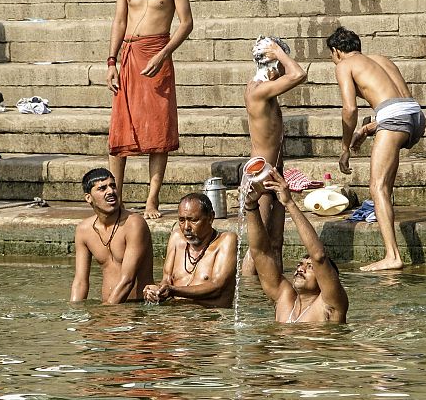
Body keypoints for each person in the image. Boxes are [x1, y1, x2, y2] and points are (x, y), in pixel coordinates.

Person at [106, 0, 193, 219]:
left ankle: (151, 200)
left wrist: (163, 53)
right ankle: (115, 200)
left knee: (159, 131)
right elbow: (119, 21)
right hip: (129, 56)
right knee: (120, 130)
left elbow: (186, 23)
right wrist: (111, 62)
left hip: (158, 55)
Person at [326, 26, 426, 271]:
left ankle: (392, 256)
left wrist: (345, 147)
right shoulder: (381, 60)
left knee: (377, 187)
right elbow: (401, 104)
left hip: (394, 119)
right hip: (416, 117)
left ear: (336, 51)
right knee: (385, 185)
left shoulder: (344, 65)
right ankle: (389, 241)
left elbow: (350, 109)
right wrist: (367, 129)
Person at [240, 37, 308, 276]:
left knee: (276, 241)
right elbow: (299, 74)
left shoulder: (265, 87)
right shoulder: (258, 91)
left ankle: (277, 288)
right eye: (282, 63)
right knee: (258, 246)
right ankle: (248, 291)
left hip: (275, 174)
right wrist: (278, 51)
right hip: (261, 176)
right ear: (275, 64)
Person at [244, 170, 348, 323]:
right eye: (300, 264)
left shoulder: (330, 304)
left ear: (325, 280)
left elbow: (318, 256)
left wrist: (289, 203)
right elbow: (260, 253)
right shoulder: (283, 298)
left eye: (310, 267)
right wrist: (250, 205)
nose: (300, 269)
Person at [70, 168, 155, 303]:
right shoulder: (83, 230)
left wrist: (107, 310)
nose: (111, 191)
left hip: (137, 306)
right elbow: (80, 282)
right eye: (102, 188)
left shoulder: (134, 224)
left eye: (113, 186)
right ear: (88, 198)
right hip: (108, 305)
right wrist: (73, 311)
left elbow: (128, 280)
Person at [143, 193, 238, 308]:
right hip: (176, 314)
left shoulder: (226, 240)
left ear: (210, 218)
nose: (186, 227)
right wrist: (156, 291)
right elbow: (166, 280)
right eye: (181, 220)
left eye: (193, 220)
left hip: (210, 315)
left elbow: (217, 286)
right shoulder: (176, 237)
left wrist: (173, 290)